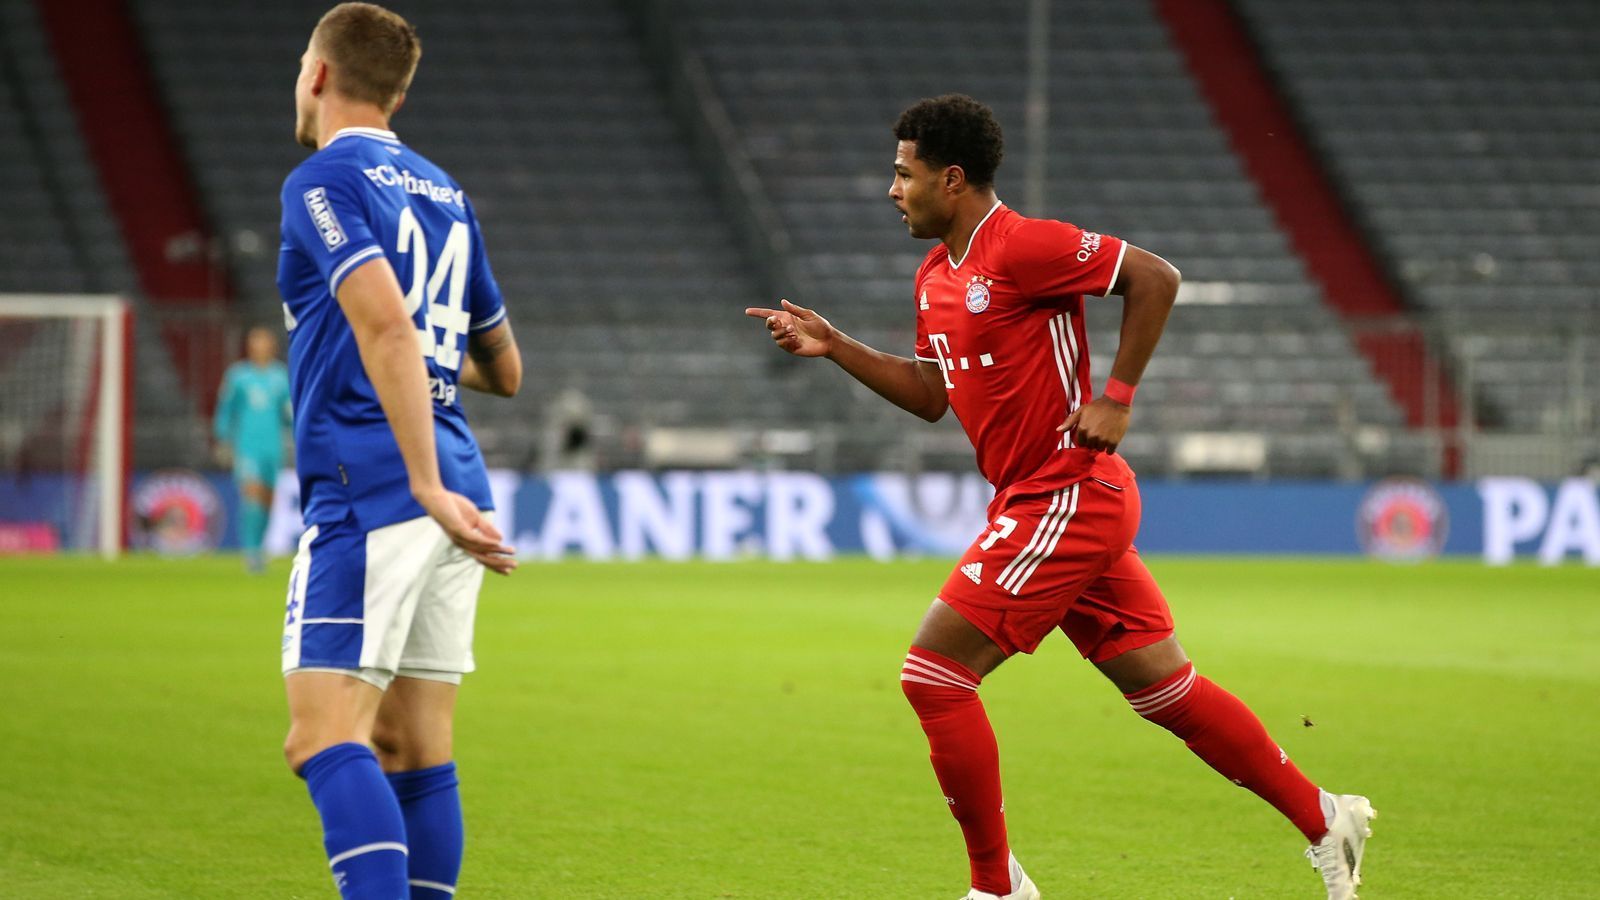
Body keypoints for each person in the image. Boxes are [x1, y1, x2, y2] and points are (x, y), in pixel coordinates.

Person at [746, 94, 1374, 900]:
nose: (891, 190)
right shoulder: (937, 276)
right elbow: (932, 393)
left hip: (1066, 491)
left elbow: (1155, 277)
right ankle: (1325, 819)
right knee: (1164, 690)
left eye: (903, 175)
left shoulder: (1024, 246)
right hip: (1043, 498)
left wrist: (1117, 395)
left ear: (953, 177)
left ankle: (997, 890)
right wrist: (835, 347)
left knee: (934, 676)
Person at [277, 4, 522, 898]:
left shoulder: (321, 181)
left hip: (380, 485)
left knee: (322, 736)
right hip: (458, 484)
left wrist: (418, 480)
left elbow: (384, 325)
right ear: (402, 92)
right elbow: (503, 366)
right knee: (414, 748)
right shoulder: (447, 194)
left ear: (317, 75)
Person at [214, 325, 292, 572]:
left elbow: (289, 414)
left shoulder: (280, 377)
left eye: (264, 343)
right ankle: (251, 552)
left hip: (272, 447)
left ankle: (259, 547)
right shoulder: (238, 376)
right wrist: (222, 437)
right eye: (255, 343)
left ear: (272, 347)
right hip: (247, 447)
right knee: (252, 497)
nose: (260, 348)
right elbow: (226, 410)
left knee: (267, 501)